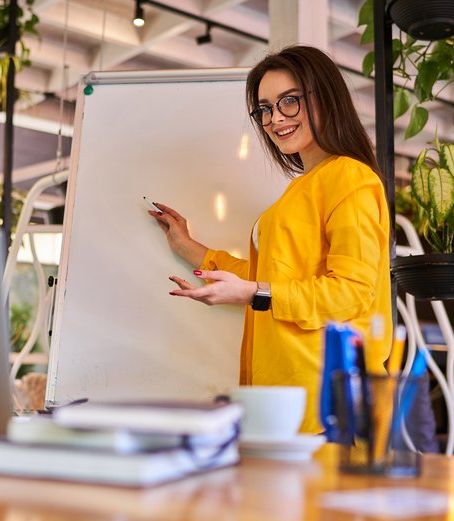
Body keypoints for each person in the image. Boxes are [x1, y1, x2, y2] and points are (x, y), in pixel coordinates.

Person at [149, 45, 392, 434]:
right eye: (265, 108)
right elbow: (273, 275)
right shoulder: (303, 187)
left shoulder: (350, 177)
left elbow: (351, 292)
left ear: (324, 98)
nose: (275, 118)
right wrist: (191, 249)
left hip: (323, 405)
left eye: (289, 102)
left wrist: (254, 294)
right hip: (288, 401)